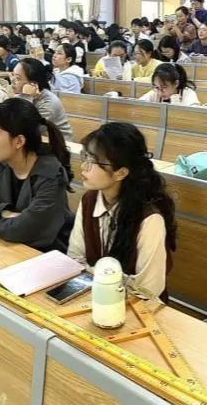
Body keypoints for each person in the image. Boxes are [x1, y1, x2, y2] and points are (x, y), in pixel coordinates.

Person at [68, 122, 177, 298]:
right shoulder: (90, 199)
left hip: (137, 307)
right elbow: (75, 260)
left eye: (93, 161)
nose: (83, 167)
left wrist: (96, 276)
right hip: (93, 296)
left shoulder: (149, 218)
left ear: (121, 173)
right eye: (85, 156)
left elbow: (148, 290)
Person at [0, 98, 75, 251]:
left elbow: (24, 230)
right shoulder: (2, 166)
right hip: (10, 248)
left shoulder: (51, 174)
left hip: (45, 255)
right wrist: (3, 212)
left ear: (19, 141)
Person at [12, 58, 73, 141]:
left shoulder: (48, 102)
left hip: (59, 144)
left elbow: (26, 129)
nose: (12, 80)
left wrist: (27, 97)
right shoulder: (20, 95)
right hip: (36, 141)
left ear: (33, 84)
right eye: (13, 75)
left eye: (17, 78)